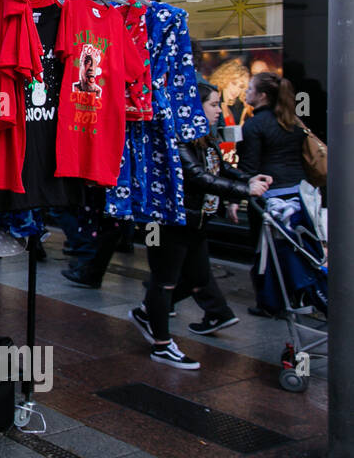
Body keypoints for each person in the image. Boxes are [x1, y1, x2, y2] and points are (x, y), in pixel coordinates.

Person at [129, 82, 270, 369]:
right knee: (165, 279)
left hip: (196, 220)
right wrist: (244, 191)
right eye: (214, 105)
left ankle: (148, 313)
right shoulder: (176, 136)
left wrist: (248, 180)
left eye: (218, 104)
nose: (219, 110)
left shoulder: (204, 135)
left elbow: (219, 168)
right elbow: (196, 176)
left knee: (196, 277)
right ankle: (162, 345)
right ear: (195, 107)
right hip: (170, 221)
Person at [238, 71, 308, 318]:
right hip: (298, 194)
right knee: (294, 248)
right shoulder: (293, 122)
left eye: (249, 89)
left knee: (265, 251)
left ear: (262, 96)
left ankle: (269, 301)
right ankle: (296, 295)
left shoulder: (254, 125)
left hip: (269, 196)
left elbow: (249, 167)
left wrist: (238, 197)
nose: (246, 93)